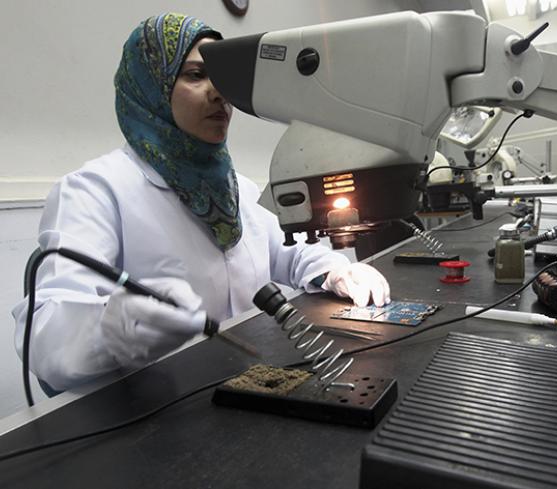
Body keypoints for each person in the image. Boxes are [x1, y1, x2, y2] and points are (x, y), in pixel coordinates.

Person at [11, 13, 390, 392]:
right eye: (195, 75)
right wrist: (115, 329)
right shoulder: (94, 190)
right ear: (150, 85)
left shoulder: (235, 187)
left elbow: (287, 254)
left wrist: (334, 270)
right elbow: (44, 339)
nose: (219, 92)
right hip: (155, 407)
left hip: (243, 387)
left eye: (222, 77)